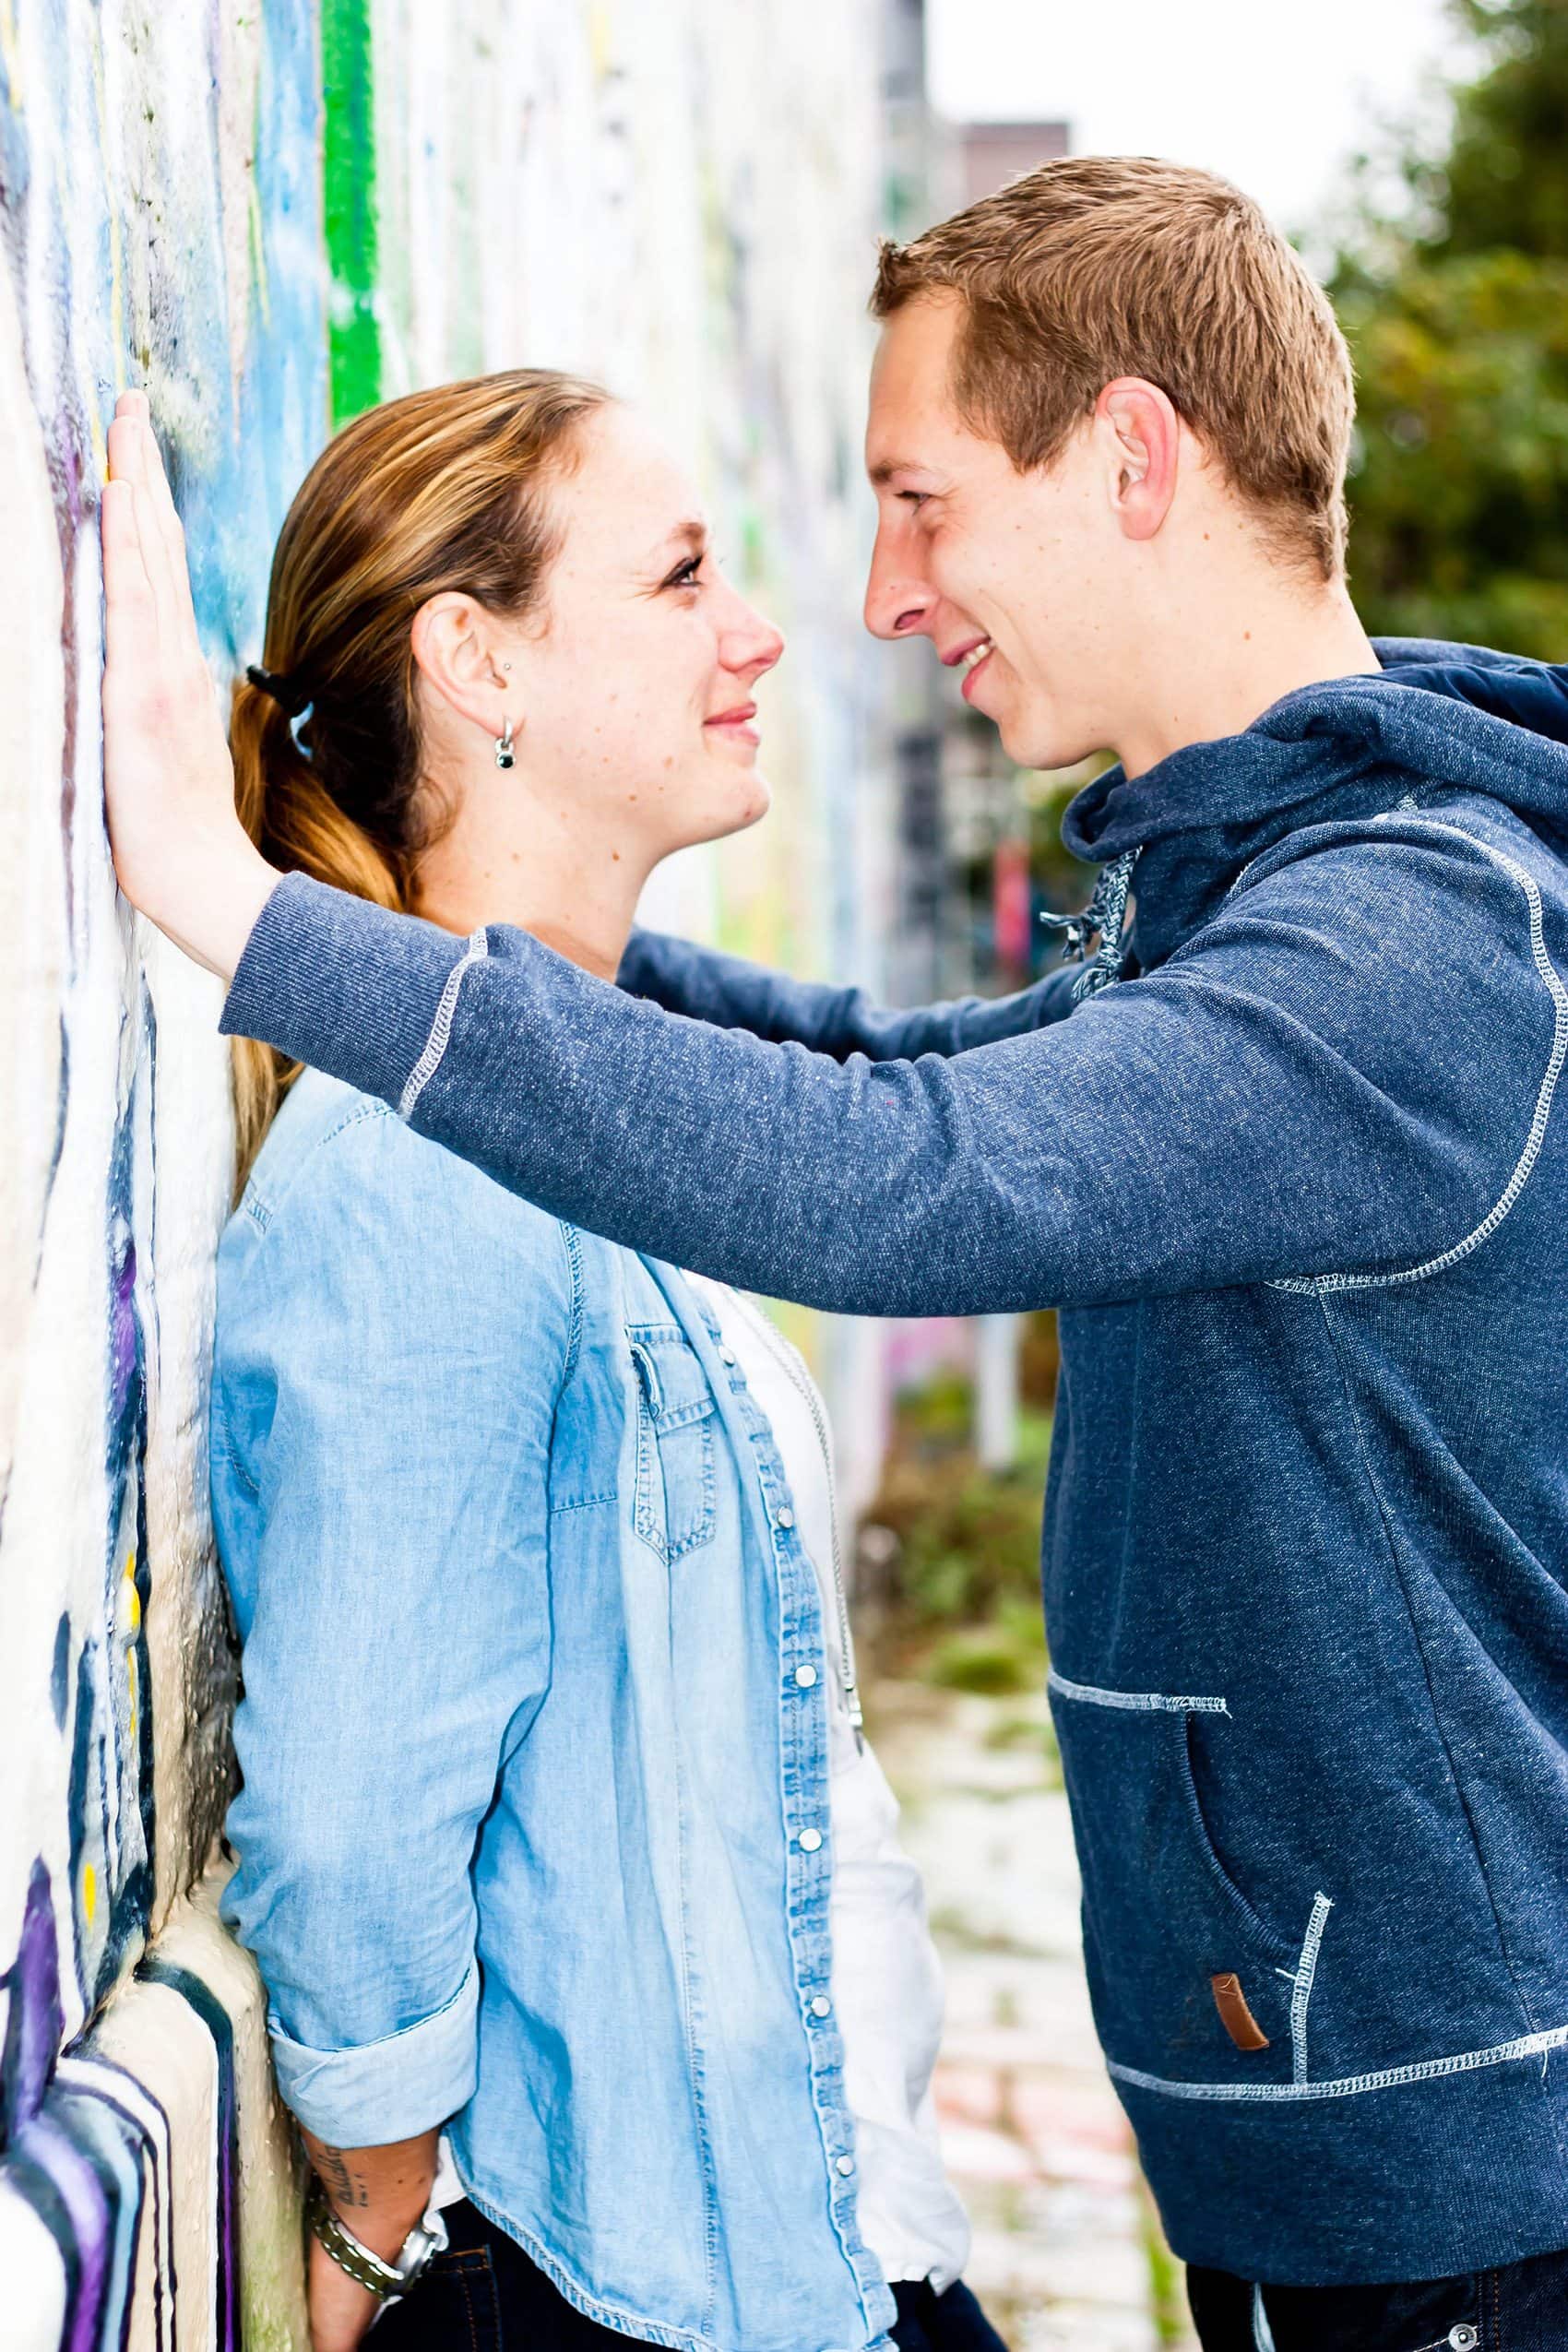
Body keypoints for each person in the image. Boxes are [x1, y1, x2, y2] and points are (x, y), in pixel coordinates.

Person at [102, 156, 1568, 2349]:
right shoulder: (1262, 910)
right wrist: (480, 960)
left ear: (1133, 458)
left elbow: (902, 1167)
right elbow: (890, 1064)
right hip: (1338, 2150)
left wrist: (256, 929)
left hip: (1464, 2170)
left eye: (921, 498)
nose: (879, 594)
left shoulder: (1396, 945)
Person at [204, 372, 1009, 2352]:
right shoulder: (420, 1170)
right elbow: (352, 1802)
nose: (755, 636)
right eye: (678, 580)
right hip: (615, 2293)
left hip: (803, 2253)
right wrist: (387, 2238)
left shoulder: (594, 1126)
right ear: (477, 662)